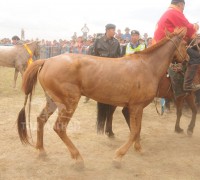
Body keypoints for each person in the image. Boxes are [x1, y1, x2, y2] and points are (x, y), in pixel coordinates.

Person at [153, 0, 199, 92]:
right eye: (183, 7)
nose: (183, 10)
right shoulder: (174, 12)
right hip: (168, 44)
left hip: (162, 44)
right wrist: (196, 26)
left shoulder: (168, 12)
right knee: (195, 56)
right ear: (180, 4)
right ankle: (188, 84)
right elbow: (188, 28)